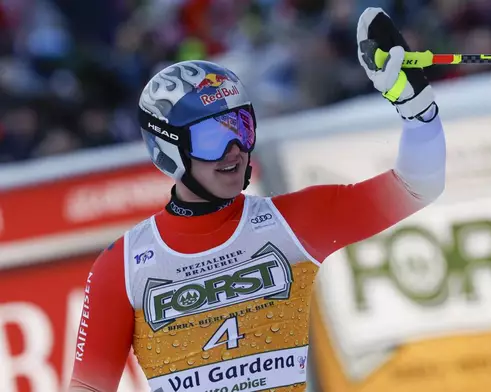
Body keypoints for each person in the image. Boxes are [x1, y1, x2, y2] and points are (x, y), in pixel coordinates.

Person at [68, 7, 446, 392]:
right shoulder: (122, 266)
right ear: (168, 148)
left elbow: (417, 185)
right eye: (213, 138)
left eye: (241, 128)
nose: (234, 150)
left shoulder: (293, 222)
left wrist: (416, 109)